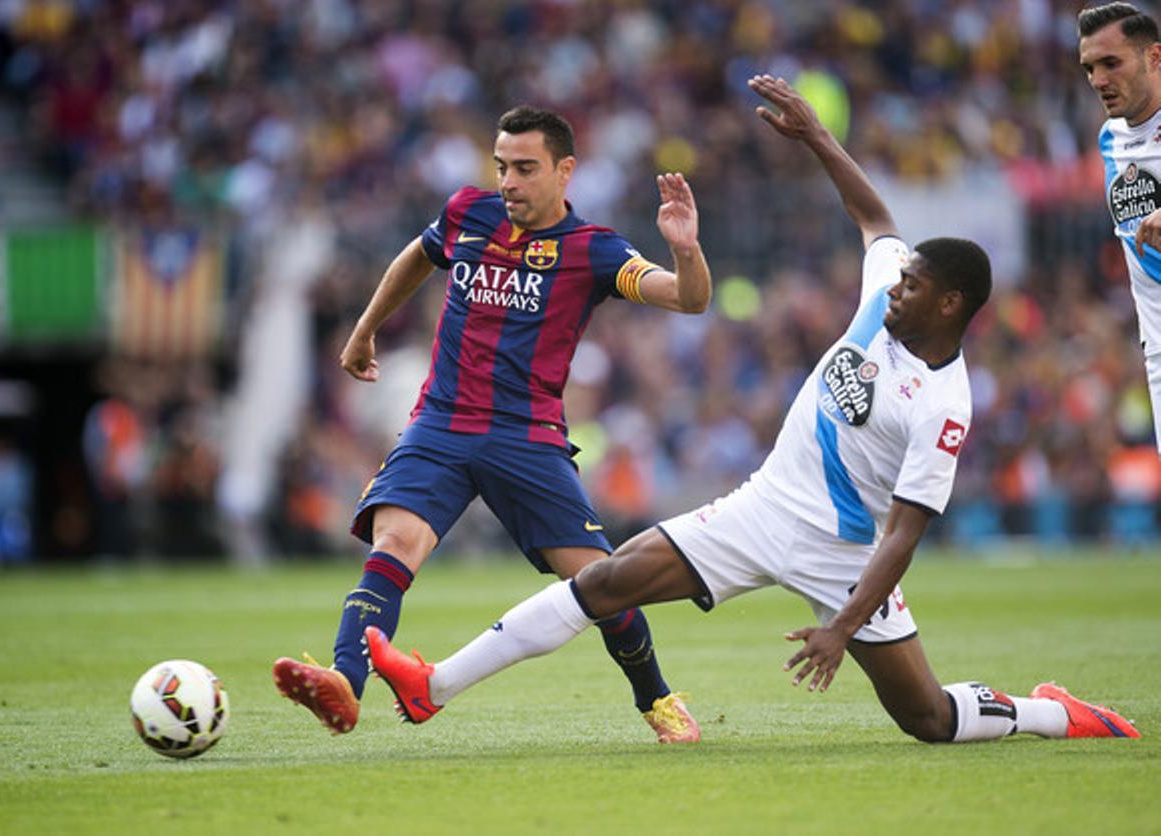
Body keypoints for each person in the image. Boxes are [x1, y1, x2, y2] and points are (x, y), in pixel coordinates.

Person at [362, 76, 1141, 743]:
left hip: (846, 557)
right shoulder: (884, 292)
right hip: (765, 505)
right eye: (895, 279)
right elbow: (874, 217)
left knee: (927, 720)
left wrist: (841, 625)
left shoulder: (944, 404)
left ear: (951, 303)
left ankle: (1054, 714)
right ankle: (432, 686)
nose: (893, 287)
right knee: (604, 584)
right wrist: (815, 137)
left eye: (910, 287)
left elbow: (904, 534)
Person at [273, 105, 711, 742]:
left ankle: (658, 698)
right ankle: (344, 681)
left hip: (526, 437)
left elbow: (690, 299)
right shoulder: (466, 213)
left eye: (525, 168)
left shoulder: (593, 250)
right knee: (392, 546)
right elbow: (414, 260)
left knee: (602, 582)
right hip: (441, 424)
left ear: (565, 171)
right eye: (502, 165)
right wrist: (364, 330)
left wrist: (687, 249)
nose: (508, 181)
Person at [1078, 2, 1161, 454]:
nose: (1098, 80)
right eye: (1089, 68)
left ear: (1154, 57)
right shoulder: (1110, 139)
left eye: (1112, 63)